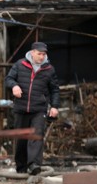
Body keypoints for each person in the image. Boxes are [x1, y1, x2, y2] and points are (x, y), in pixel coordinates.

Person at [5, 41, 60, 176]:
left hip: (38, 109)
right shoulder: (20, 65)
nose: (42, 57)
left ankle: (34, 165)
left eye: (44, 54)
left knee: (36, 136)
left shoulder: (49, 69)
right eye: (39, 54)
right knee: (21, 139)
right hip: (21, 108)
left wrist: (54, 106)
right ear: (32, 53)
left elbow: (55, 90)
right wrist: (14, 86)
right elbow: (8, 79)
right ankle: (21, 166)